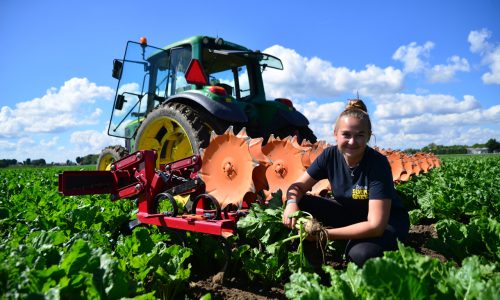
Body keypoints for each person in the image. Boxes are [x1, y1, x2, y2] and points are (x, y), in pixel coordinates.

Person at [282, 99, 409, 267]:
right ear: (335, 134)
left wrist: (325, 234)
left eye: (359, 135)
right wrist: (291, 204)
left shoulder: (377, 164)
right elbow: (297, 187)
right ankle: (314, 265)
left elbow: (376, 225)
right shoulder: (329, 156)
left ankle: (392, 251)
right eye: (346, 135)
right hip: (352, 215)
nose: (352, 141)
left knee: (360, 255)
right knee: (302, 201)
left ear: (369, 136)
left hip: (386, 223)